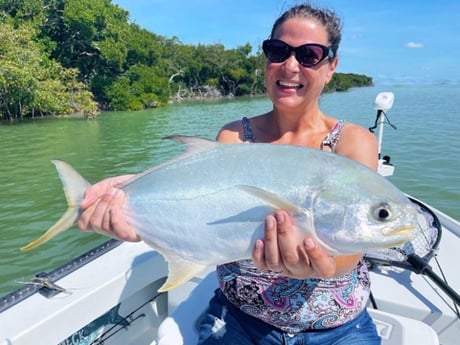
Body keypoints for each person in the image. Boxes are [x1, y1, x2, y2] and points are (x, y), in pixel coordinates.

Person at [78, 2, 381, 344]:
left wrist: (322, 266)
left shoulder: (354, 142)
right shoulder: (235, 137)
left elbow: (352, 248)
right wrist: (135, 219)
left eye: (309, 55)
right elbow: (198, 219)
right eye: (278, 51)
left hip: (337, 329)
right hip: (242, 321)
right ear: (266, 60)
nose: (291, 66)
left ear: (331, 66)